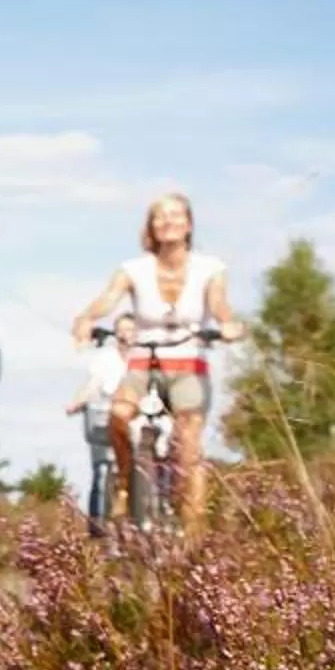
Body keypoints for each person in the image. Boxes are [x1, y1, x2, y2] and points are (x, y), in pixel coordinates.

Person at [71, 191, 242, 532]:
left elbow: (219, 304)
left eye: (176, 215)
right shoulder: (133, 270)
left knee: (189, 446)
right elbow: (107, 299)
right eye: (160, 216)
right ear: (151, 227)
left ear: (189, 224)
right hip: (144, 360)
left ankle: (193, 536)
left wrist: (228, 324)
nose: (168, 222)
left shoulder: (210, 268)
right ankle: (124, 481)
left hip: (187, 362)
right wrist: (87, 318)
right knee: (118, 415)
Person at [63, 311, 142, 535]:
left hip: (137, 420)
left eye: (131, 329)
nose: (127, 334)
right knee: (101, 468)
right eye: (122, 329)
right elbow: (92, 385)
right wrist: (76, 403)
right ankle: (97, 526)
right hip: (105, 416)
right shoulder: (105, 359)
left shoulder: (145, 357)